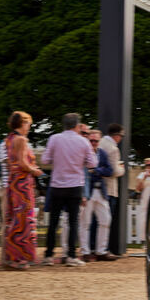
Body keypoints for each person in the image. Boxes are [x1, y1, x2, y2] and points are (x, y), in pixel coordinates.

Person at [41, 113, 97, 267]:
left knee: (53, 222)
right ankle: (71, 255)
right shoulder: (83, 142)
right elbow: (93, 163)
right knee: (73, 222)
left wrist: (56, 159)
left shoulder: (54, 139)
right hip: (75, 185)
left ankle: (48, 255)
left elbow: (45, 160)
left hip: (57, 185)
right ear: (77, 126)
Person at [2, 111, 43, 270]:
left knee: (16, 218)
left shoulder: (9, 139)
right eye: (28, 124)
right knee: (22, 220)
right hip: (22, 184)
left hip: (15, 182)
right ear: (22, 123)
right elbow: (22, 163)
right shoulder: (20, 139)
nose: (29, 127)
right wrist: (35, 170)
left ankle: (15, 255)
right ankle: (17, 257)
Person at [80, 129, 115, 261]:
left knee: (105, 219)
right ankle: (85, 251)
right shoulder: (83, 153)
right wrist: (96, 172)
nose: (94, 142)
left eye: (96, 141)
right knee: (85, 222)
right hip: (88, 191)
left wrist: (96, 170)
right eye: (91, 140)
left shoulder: (102, 153)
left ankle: (101, 250)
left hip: (100, 191)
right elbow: (83, 172)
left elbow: (109, 170)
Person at [99, 123, 126, 257]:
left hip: (97, 186)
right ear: (116, 135)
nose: (121, 138)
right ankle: (105, 249)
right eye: (121, 136)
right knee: (106, 221)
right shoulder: (113, 149)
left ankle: (95, 248)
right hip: (109, 188)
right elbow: (114, 171)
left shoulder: (100, 142)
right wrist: (122, 169)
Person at [135, 157, 150, 240]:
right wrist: (144, 178)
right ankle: (144, 240)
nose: (149, 166)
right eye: (147, 165)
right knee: (144, 219)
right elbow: (138, 189)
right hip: (145, 200)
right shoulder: (142, 175)